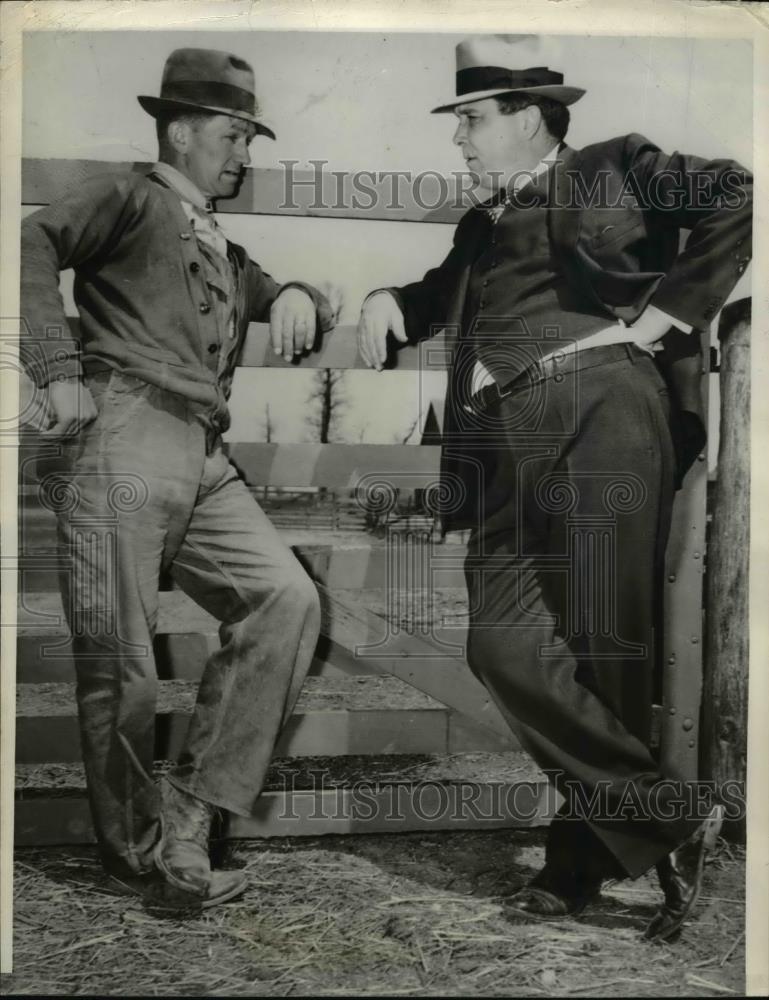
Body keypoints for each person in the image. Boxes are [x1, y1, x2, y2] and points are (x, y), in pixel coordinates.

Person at [357, 34, 751, 941]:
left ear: (527, 116)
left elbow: (736, 190)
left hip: (601, 412)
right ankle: (665, 815)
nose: (456, 136)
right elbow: (441, 297)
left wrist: (667, 314)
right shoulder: (480, 226)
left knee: (605, 646)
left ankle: (576, 868)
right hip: (502, 443)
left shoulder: (615, 167)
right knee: (501, 643)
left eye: (470, 118)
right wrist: (389, 300)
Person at [20, 48, 337, 908]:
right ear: (181, 129)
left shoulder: (215, 237)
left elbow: (266, 293)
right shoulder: (128, 196)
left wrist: (302, 290)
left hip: (202, 454)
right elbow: (32, 237)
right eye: (234, 135)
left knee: (287, 599)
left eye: (248, 137)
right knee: (119, 663)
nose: (244, 154)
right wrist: (54, 366)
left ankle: (190, 818)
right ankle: (140, 854)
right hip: (119, 436)